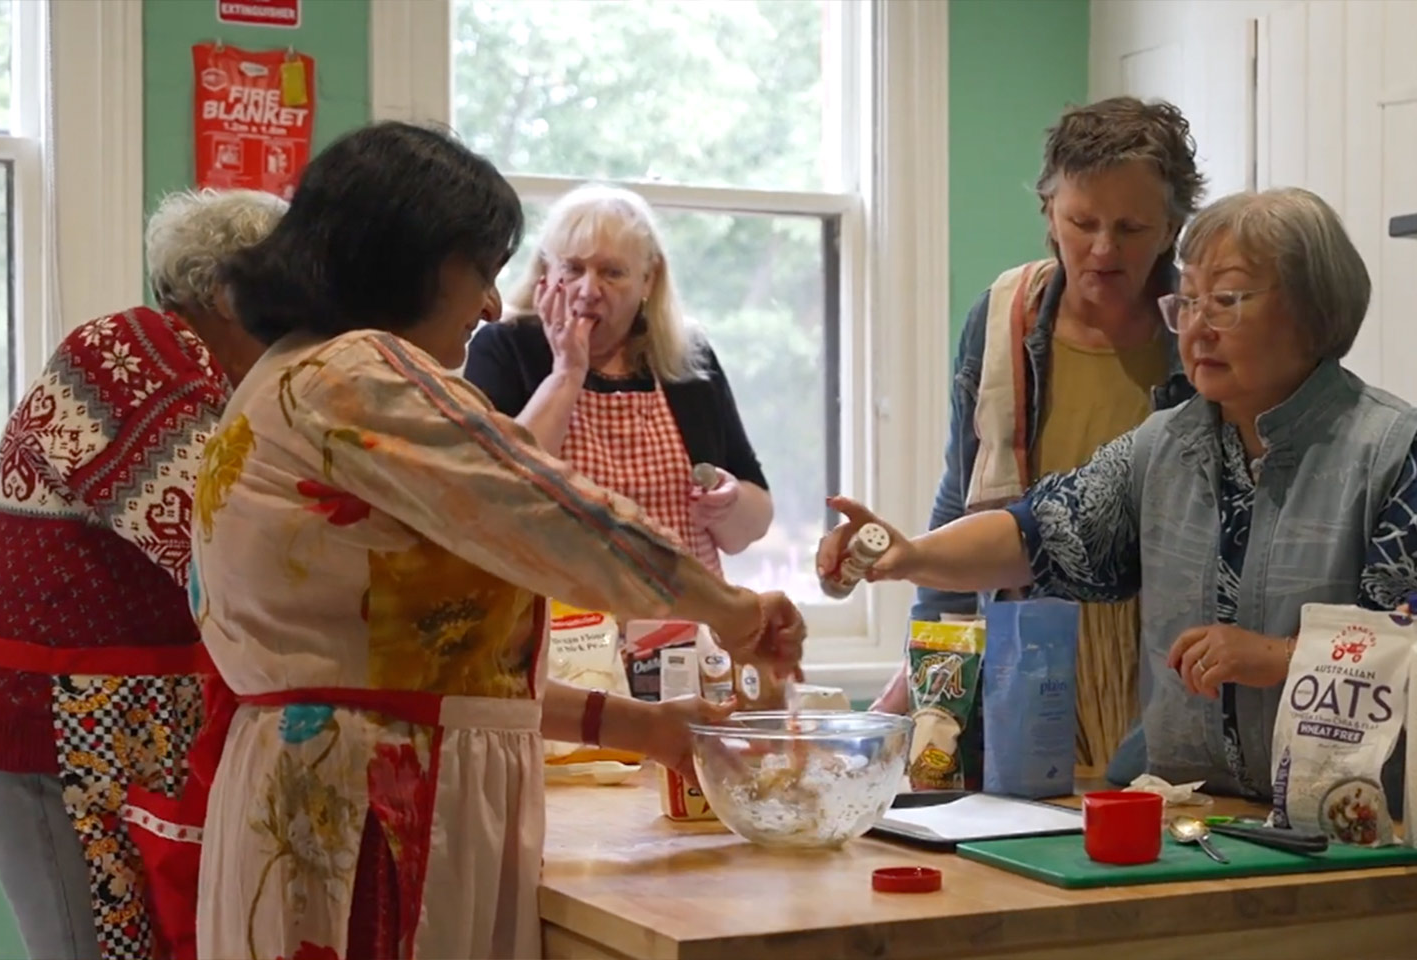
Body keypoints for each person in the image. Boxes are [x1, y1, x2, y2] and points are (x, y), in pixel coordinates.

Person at [178, 123, 803, 960]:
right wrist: (727, 608)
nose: (486, 305)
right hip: (376, 819)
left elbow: (434, 671)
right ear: (414, 260)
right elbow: (548, 510)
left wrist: (644, 729)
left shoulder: (288, 373)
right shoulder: (357, 375)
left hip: (339, 788)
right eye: (482, 272)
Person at [822, 187, 1417, 801]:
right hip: (1196, 808)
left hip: (1358, 821)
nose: (1198, 325)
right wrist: (910, 554)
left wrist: (1278, 656)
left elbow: (1406, 644)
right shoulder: (1167, 442)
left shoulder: (1392, 450)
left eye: (1227, 301)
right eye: (1186, 302)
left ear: (1313, 312)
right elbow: (1040, 533)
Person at [0, 188, 287, 960]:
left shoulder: (203, 371)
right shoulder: (135, 356)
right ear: (225, 292)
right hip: (60, 715)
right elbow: (222, 547)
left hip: (121, 712)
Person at [869, 97, 1206, 777]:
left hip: (1163, 660)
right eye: (1082, 222)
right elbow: (964, 505)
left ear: (1172, 226)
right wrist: (923, 679)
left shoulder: (1199, 334)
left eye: (1132, 227)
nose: (1103, 249)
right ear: (1049, 211)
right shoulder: (1003, 317)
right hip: (1025, 650)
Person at [463, 184, 771, 576]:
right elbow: (497, 499)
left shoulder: (685, 357)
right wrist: (567, 374)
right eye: (573, 269)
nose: (589, 291)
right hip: (560, 623)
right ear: (545, 273)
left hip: (685, 622)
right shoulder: (505, 347)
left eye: (612, 273)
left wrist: (728, 504)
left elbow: (750, 527)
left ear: (648, 280)